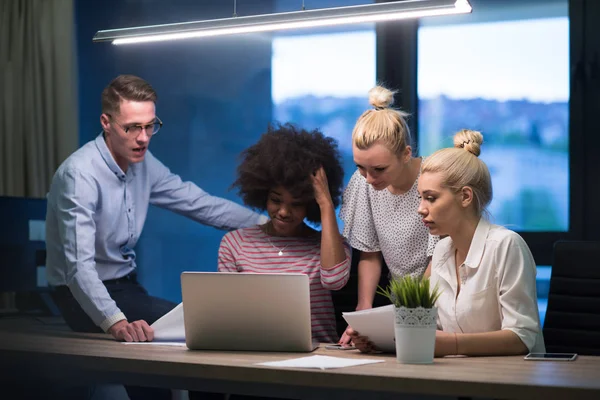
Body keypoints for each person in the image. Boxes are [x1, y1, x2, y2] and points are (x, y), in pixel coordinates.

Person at [45, 75, 264, 400]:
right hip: (78, 293)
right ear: (106, 122)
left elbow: (197, 203)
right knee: (199, 333)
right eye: (131, 127)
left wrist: (268, 225)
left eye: (150, 126)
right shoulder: (79, 176)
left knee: (172, 365)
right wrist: (115, 322)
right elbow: (79, 268)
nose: (143, 138)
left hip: (125, 285)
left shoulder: (142, 162)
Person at [351, 129, 545, 356]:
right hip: (457, 376)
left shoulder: (506, 246)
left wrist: (451, 344)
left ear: (465, 197)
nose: (421, 209)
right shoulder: (443, 250)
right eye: (421, 197)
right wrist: (379, 340)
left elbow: (522, 337)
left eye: (431, 198)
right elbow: (433, 329)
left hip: (509, 381)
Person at [218, 123, 351, 344]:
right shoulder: (235, 244)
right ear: (262, 194)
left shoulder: (330, 245)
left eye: (296, 204)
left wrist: (326, 202)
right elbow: (228, 314)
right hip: (253, 353)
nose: (283, 212)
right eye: (276, 200)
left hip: (319, 357)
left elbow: (334, 279)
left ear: (310, 204)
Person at [339, 85, 438, 345]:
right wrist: (364, 313)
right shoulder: (362, 184)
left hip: (440, 297)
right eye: (361, 167)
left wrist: (409, 312)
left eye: (379, 169)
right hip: (397, 305)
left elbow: (441, 259)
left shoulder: (433, 179)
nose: (369, 179)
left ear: (406, 154)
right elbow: (369, 254)